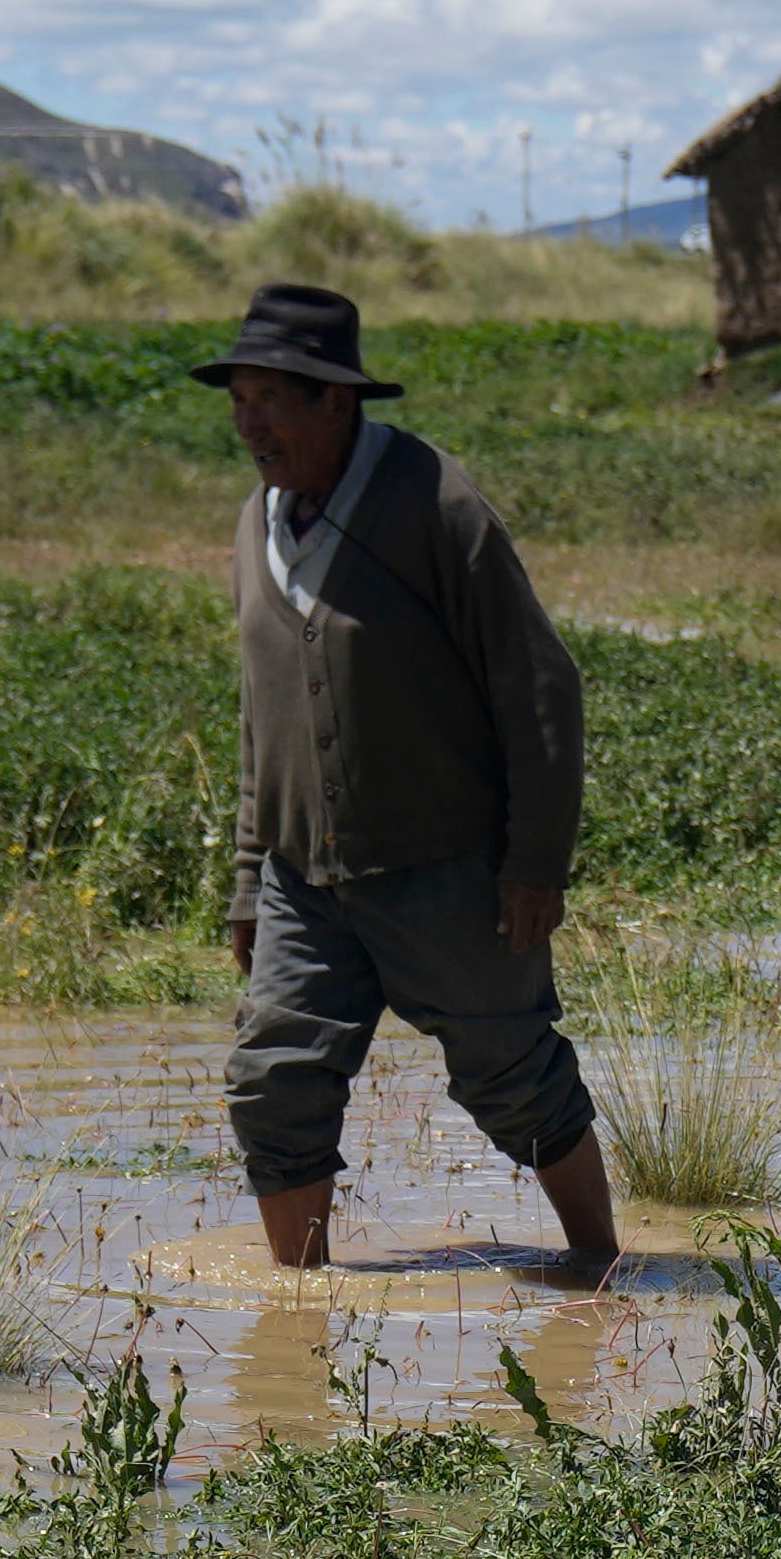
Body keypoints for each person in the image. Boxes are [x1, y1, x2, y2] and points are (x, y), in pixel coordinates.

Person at [199, 279, 619, 1288]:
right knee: (273, 1083)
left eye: (272, 397)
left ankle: (599, 1266)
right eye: (238, 397)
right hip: (305, 879)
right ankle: (299, 1305)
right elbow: (264, 719)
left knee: (512, 1078)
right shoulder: (256, 523)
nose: (250, 421)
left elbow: (538, 682)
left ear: (336, 402)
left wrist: (533, 861)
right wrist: (252, 876)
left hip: (446, 870)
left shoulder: (434, 502)